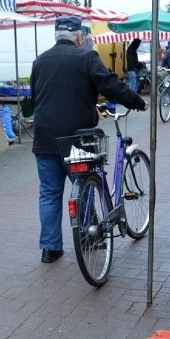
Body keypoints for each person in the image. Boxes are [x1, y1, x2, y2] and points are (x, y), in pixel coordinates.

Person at [30, 16, 146, 264]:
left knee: (49, 193)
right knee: (84, 188)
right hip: (77, 139)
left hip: (45, 138)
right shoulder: (86, 57)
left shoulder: (40, 61)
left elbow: (34, 95)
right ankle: (89, 237)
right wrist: (136, 101)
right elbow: (111, 85)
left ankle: (50, 249)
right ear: (79, 37)